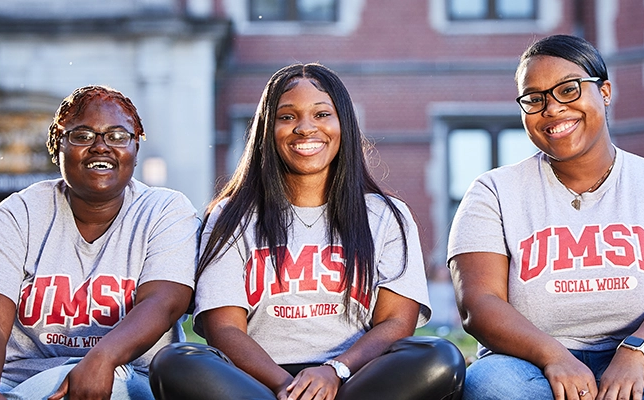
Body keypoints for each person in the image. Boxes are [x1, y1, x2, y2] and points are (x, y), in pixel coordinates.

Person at [448, 35, 644, 400]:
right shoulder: (491, 192)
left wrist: (635, 351)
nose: (552, 109)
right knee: (491, 384)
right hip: (532, 368)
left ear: (604, 91)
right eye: (535, 99)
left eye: (568, 90)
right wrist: (553, 356)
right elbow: (479, 305)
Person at [148, 63, 465, 400]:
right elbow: (223, 329)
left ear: (343, 123)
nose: (305, 128)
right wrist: (285, 386)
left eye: (321, 114)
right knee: (175, 361)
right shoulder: (231, 216)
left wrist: (334, 372)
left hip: (355, 382)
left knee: (439, 357)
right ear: (267, 130)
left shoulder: (386, 216)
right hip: (257, 385)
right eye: (287, 117)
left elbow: (395, 324)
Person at [0, 85, 200, 400]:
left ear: (135, 150)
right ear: (57, 148)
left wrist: (103, 358)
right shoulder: (18, 213)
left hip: (122, 376)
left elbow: (163, 303)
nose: (101, 147)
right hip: (20, 384)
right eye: (82, 136)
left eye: (117, 136)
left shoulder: (165, 210)